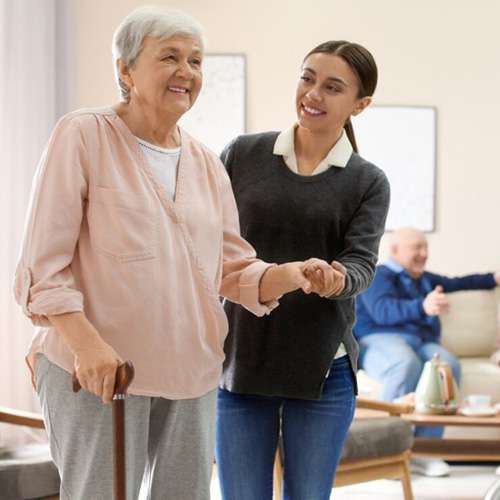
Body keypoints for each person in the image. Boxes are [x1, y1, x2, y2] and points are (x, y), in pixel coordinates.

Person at [13, 7, 334, 499]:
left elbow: (232, 269)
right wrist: (87, 346)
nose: (187, 71)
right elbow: (43, 266)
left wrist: (291, 274)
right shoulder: (83, 135)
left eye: (196, 61)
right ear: (125, 69)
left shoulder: (206, 162)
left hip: (191, 372)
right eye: (170, 57)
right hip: (102, 370)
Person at [215, 41, 390, 500]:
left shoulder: (367, 180)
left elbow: (361, 263)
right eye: (307, 77)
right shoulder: (242, 154)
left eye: (333, 87)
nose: (313, 93)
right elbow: (206, 239)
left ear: (360, 104)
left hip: (323, 368)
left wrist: (337, 279)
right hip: (241, 360)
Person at [355, 226, 500, 477]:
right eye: (417, 248)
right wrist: (422, 306)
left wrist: (494, 277)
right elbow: (382, 310)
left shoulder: (424, 278)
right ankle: (389, 451)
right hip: (380, 339)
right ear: (395, 250)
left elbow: (459, 282)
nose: (423, 253)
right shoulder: (378, 275)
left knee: (447, 365)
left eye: (426, 247)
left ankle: (423, 451)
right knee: (405, 363)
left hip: (421, 341)